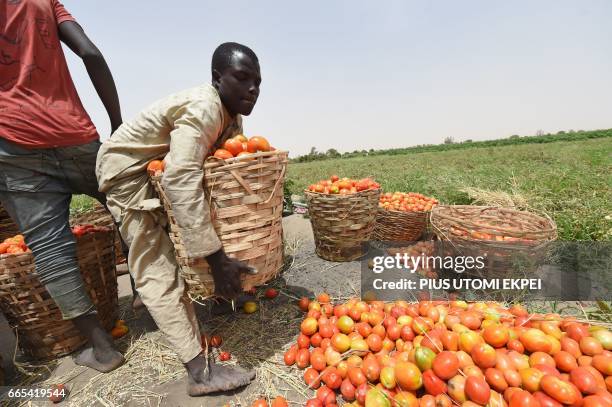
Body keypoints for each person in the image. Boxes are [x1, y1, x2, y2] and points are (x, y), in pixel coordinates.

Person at [95, 42, 260, 395]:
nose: (252, 89)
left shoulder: (232, 116)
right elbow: (180, 179)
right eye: (243, 78)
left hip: (154, 171)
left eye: (258, 82)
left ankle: (214, 298)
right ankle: (199, 373)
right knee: (156, 268)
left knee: (194, 238)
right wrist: (215, 260)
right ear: (218, 78)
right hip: (127, 174)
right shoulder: (205, 108)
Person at [0, 0, 127, 372]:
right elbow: (90, 52)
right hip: (73, 132)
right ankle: (147, 296)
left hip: (13, 147)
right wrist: (117, 124)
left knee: (50, 248)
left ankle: (102, 349)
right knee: (126, 207)